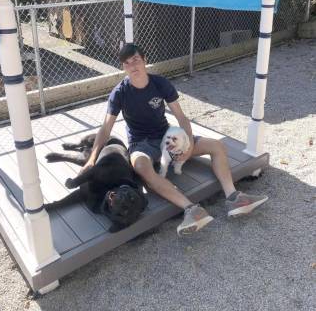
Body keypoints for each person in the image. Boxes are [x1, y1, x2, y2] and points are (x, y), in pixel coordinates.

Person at [80, 43, 268, 236]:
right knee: (141, 167)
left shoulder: (160, 83)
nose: (133, 66)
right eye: (127, 63)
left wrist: (188, 146)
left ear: (144, 60)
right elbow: (105, 128)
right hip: (141, 144)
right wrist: (91, 160)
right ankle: (191, 210)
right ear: (123, 67)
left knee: (217, 146)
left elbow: (181, 118)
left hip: (167, 136)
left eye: (136, 60)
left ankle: (233, 197)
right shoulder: (119, 93)